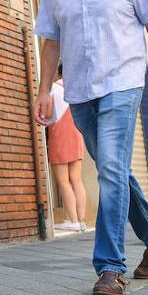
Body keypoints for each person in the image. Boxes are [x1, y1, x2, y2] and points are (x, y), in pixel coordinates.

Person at [33, 0, 148, 295]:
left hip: (123, 84)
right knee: (118, 173)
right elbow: (51, 43)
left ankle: (110, 268)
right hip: (80, 92)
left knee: (110, 170)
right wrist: (45, 90)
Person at [46, 76, 89, 232]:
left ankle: (73, 220)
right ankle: (82, 220)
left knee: (63, 181)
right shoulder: (79, 87)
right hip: (77, 133)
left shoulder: (54, 87)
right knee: (76, 179)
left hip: (60, 134)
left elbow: (48, 112)